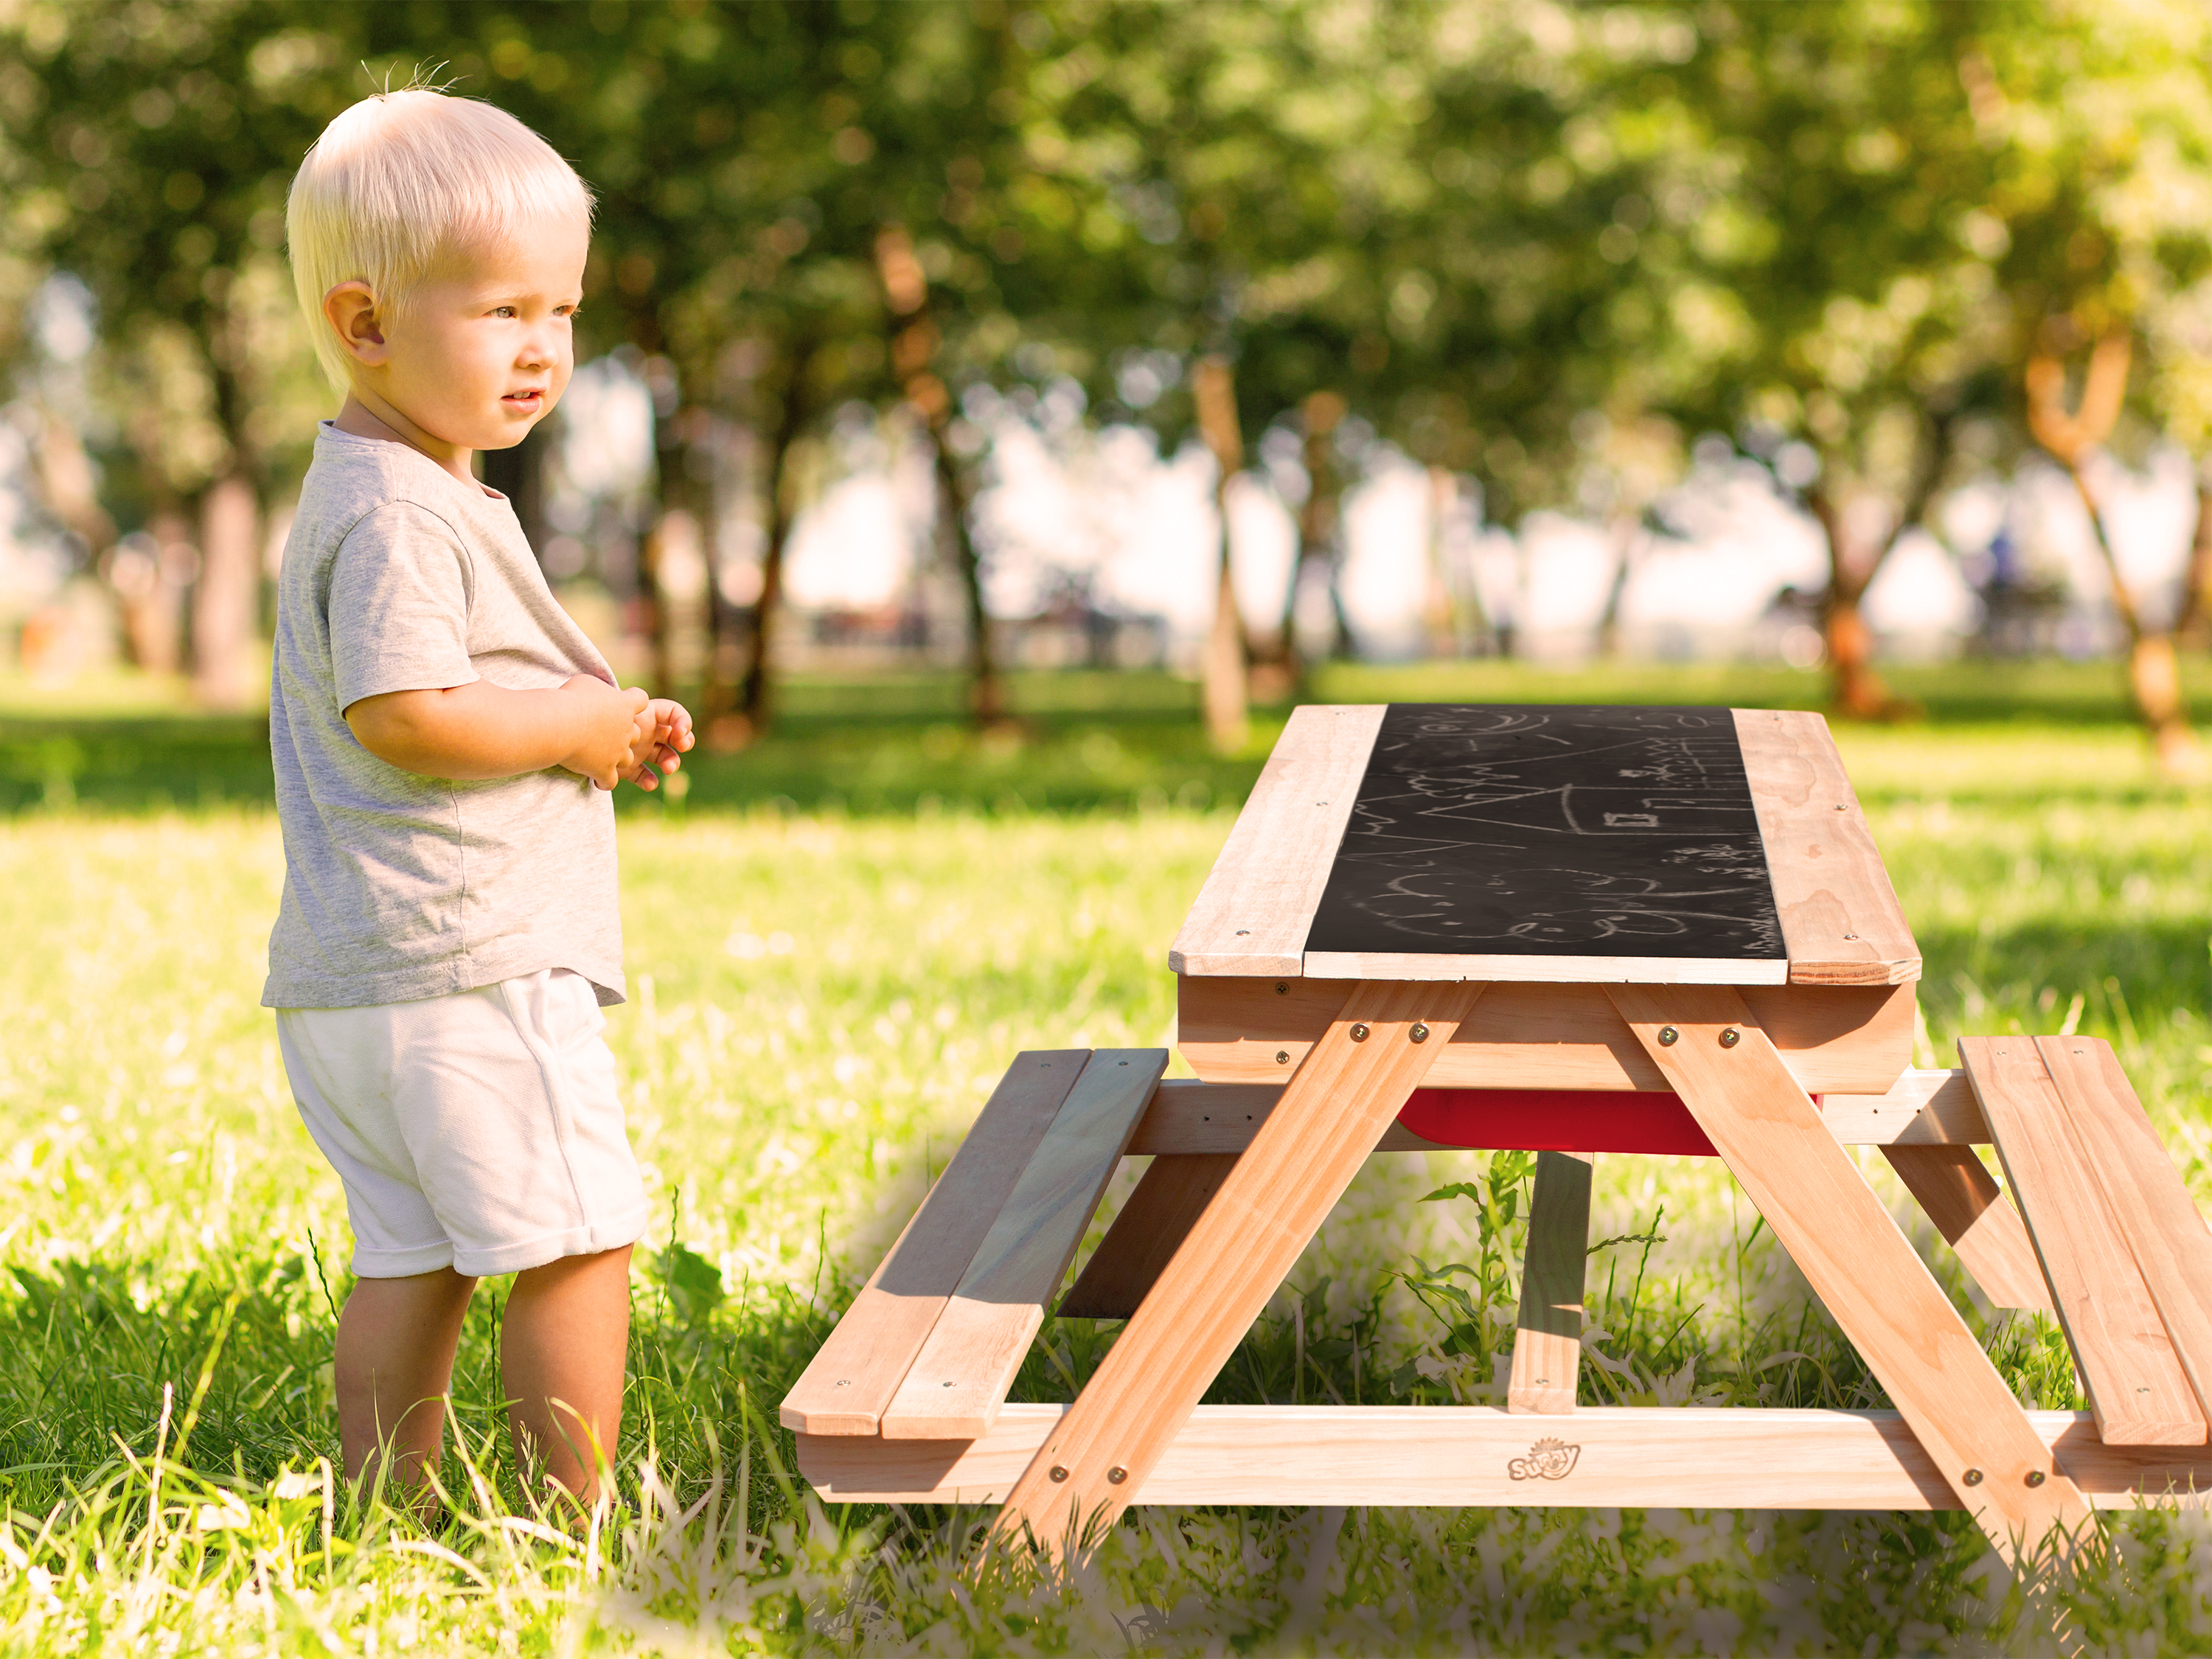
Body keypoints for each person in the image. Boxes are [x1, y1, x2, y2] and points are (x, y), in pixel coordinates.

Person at [264, 85, 691, 1511]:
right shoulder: (396, 511)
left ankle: (387, 1508)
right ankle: (576, 1519)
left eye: (560, 312)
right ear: (367, 322)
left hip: (362, 978)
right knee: (579, 1238)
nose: (544, 350)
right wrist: (575, 720)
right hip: (467, 961)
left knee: (414, 1251)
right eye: (503, 311)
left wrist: (604, 726)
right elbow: (404, 713)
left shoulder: (382, 486)